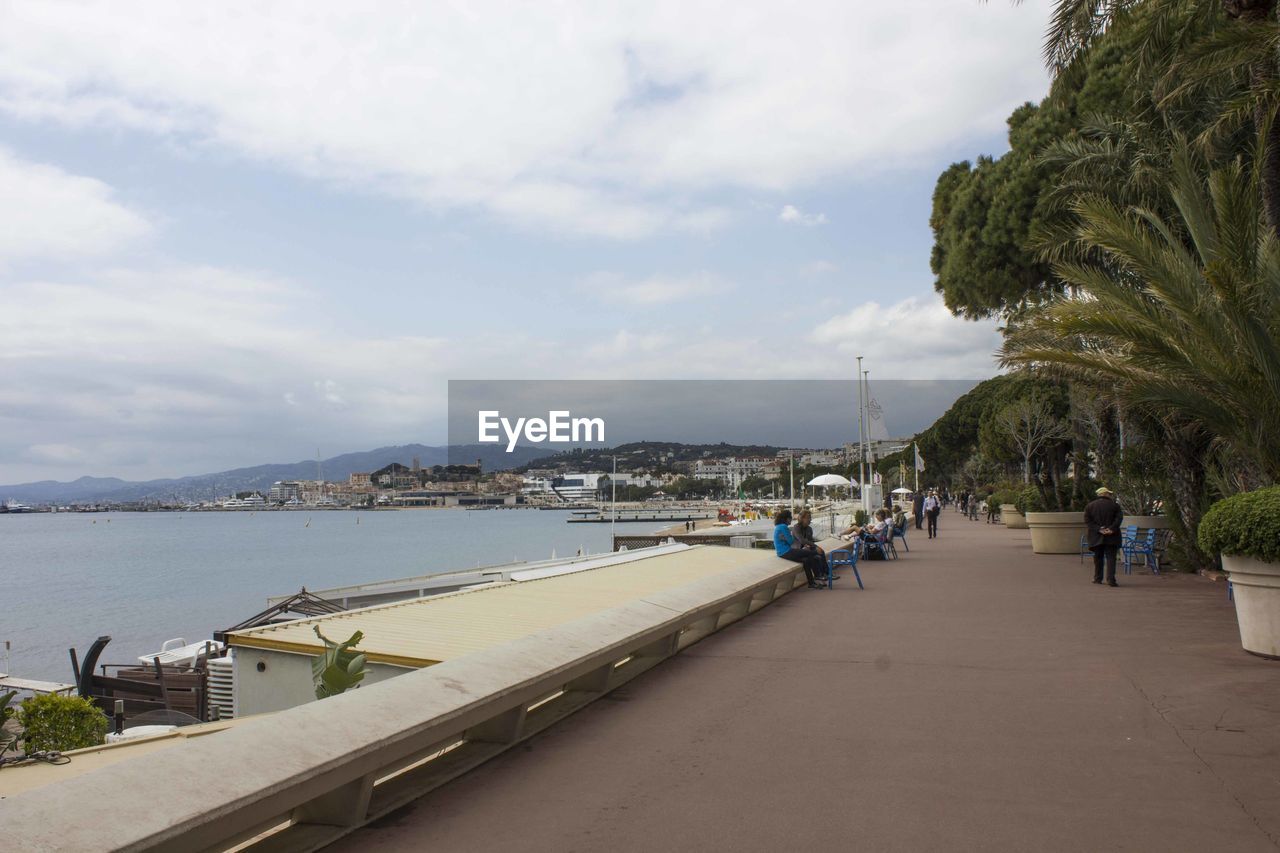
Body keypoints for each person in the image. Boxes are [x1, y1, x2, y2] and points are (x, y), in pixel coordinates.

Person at [773, 509, 826, 588]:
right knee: (814, 552)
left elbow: (788, 540)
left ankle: (811, 583)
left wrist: (786, 538)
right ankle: (818, 575)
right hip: (786, 551)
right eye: (790, 518)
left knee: (806, 560)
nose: (791, 520)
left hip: (781, 552)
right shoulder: (783, 527)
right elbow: (791, 541)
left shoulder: (778, 526)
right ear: (787, 519)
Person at [1084, 486, 1125, 586]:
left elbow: (1088, 521)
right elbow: (1119, 519)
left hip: (1096, 536)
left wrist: (1099, 529)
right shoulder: (1115, 506)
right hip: (1112, 536)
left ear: (1099, 495)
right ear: (1105, 494)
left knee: (1098, 558)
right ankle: (1111, 580)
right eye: (1109, 494)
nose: (1110, 495)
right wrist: (1111, 528)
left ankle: (1097, 578)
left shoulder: (1090, 506)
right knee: (1111, 558)